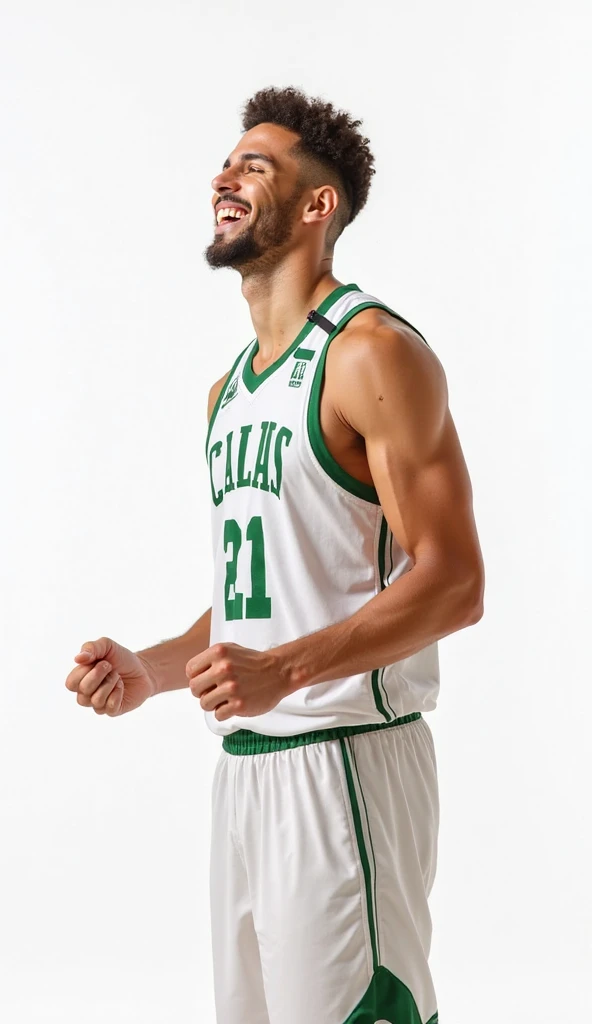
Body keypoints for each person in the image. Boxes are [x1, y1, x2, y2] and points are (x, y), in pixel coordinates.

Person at [66, 85, 484, 1024]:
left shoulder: (372, 354)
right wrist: (154, 670)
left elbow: (456, 582)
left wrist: (286, 672)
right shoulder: (227, 394)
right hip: (247, 777)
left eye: (255, 164)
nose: (224, 175)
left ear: (316, 205)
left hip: (346, 769)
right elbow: (262, 607)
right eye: (226, 161)